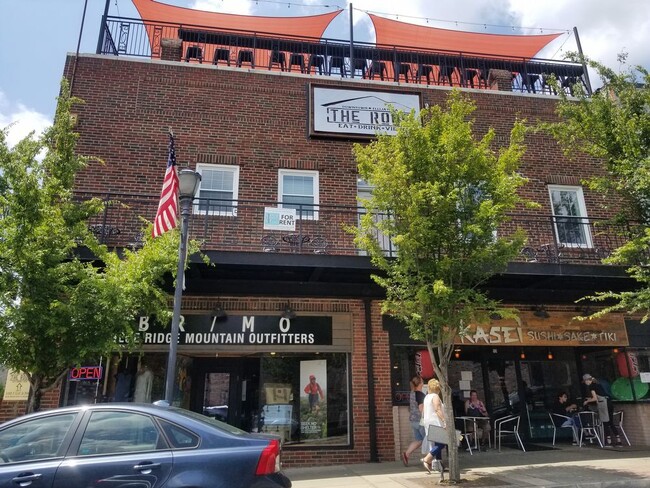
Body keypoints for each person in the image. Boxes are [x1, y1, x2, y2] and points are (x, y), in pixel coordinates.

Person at [582, 374, 622, 446]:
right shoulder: (598, 384)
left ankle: (609, 442)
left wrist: (587, 401)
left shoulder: (591, 386)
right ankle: (619, 440)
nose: (585, 383)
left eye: (585, 381)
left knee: (605, 422)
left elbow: (595, 398)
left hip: (603, 404)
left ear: (587, 380)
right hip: (609, 403)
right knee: (611, 422)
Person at [421, 378, 446, 480]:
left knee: (436, 444)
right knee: (442, 444)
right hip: (436, 423)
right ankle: (427, 459)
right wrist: (444, 421)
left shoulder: (426, 397)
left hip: (428, 423)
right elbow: (437, 409)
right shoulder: (435, 396)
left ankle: (438, 465)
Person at [402, 376, 425, 467]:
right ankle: (429, 460)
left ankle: (406, 454)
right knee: (428, 440)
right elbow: (421, 408)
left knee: (419, 440)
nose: (423, 383)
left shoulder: (412, 393)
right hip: (420, 421)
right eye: (422, 382)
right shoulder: (420, 394)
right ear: (420, 384)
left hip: (413, 421)